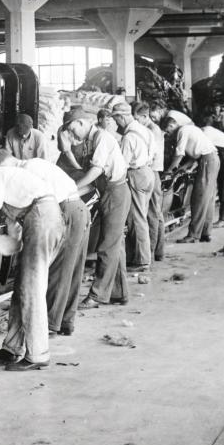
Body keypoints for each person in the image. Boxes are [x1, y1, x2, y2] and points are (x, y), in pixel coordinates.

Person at [0, 159, 64, 371]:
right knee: (22, 286)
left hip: (42, 218)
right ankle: (12, 348)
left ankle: (38, 354)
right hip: (40, 218)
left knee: (31, 288)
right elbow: (14, 241)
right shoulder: (10, 191)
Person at [0, 149, 89, 337]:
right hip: (77, 208)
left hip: (64, 210)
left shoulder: (28, 169)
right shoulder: (35, 163)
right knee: (71, 267)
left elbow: (41, 202)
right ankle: (65, 321)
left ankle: (50, 325)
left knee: (56, 269)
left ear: (3, 165)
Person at [62, 107, 130, 309]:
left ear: (82, 122)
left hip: (115, 191)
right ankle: (119, 292)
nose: (71, 134)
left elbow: (96, 170)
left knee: (107, 244)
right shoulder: (89, 140)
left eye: (72, 128)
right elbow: (88, 173)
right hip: (105, 190)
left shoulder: (102, 137)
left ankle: (98, 295)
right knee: (114, 243)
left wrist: (73, 188)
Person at [112, 100, 155, 273]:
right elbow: (153, 152)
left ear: (122, 117)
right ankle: (140, 256)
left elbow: (122, 164)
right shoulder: (145, 130)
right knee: (141, 215)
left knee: (137, 219)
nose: (116, 123)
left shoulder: (129, 137)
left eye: (116, 120)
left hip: (135, 174)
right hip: (147, 172)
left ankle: (142, 260)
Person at [165, 113, 219, 243]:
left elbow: (179, 154)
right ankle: (205, 233)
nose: (169, 134)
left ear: (173, 124)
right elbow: (194, 155)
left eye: (168, 130)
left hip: (207, 160)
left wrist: (168, 170)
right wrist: (181, 168)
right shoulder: (190, 129)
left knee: (199, 198)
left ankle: (193, 235)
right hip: (210, 159)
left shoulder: (182, 131)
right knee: (208, 198)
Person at [135, 102, 167, 262]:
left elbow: (148, 154)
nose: (135, 122)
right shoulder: (152, 129)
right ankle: (158, 252)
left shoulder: (151, 130)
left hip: (152, 172)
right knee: (156, 213)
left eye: (137, 118)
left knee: (152, 213)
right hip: (154, 172)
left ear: (144, 116)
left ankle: (150, 251)